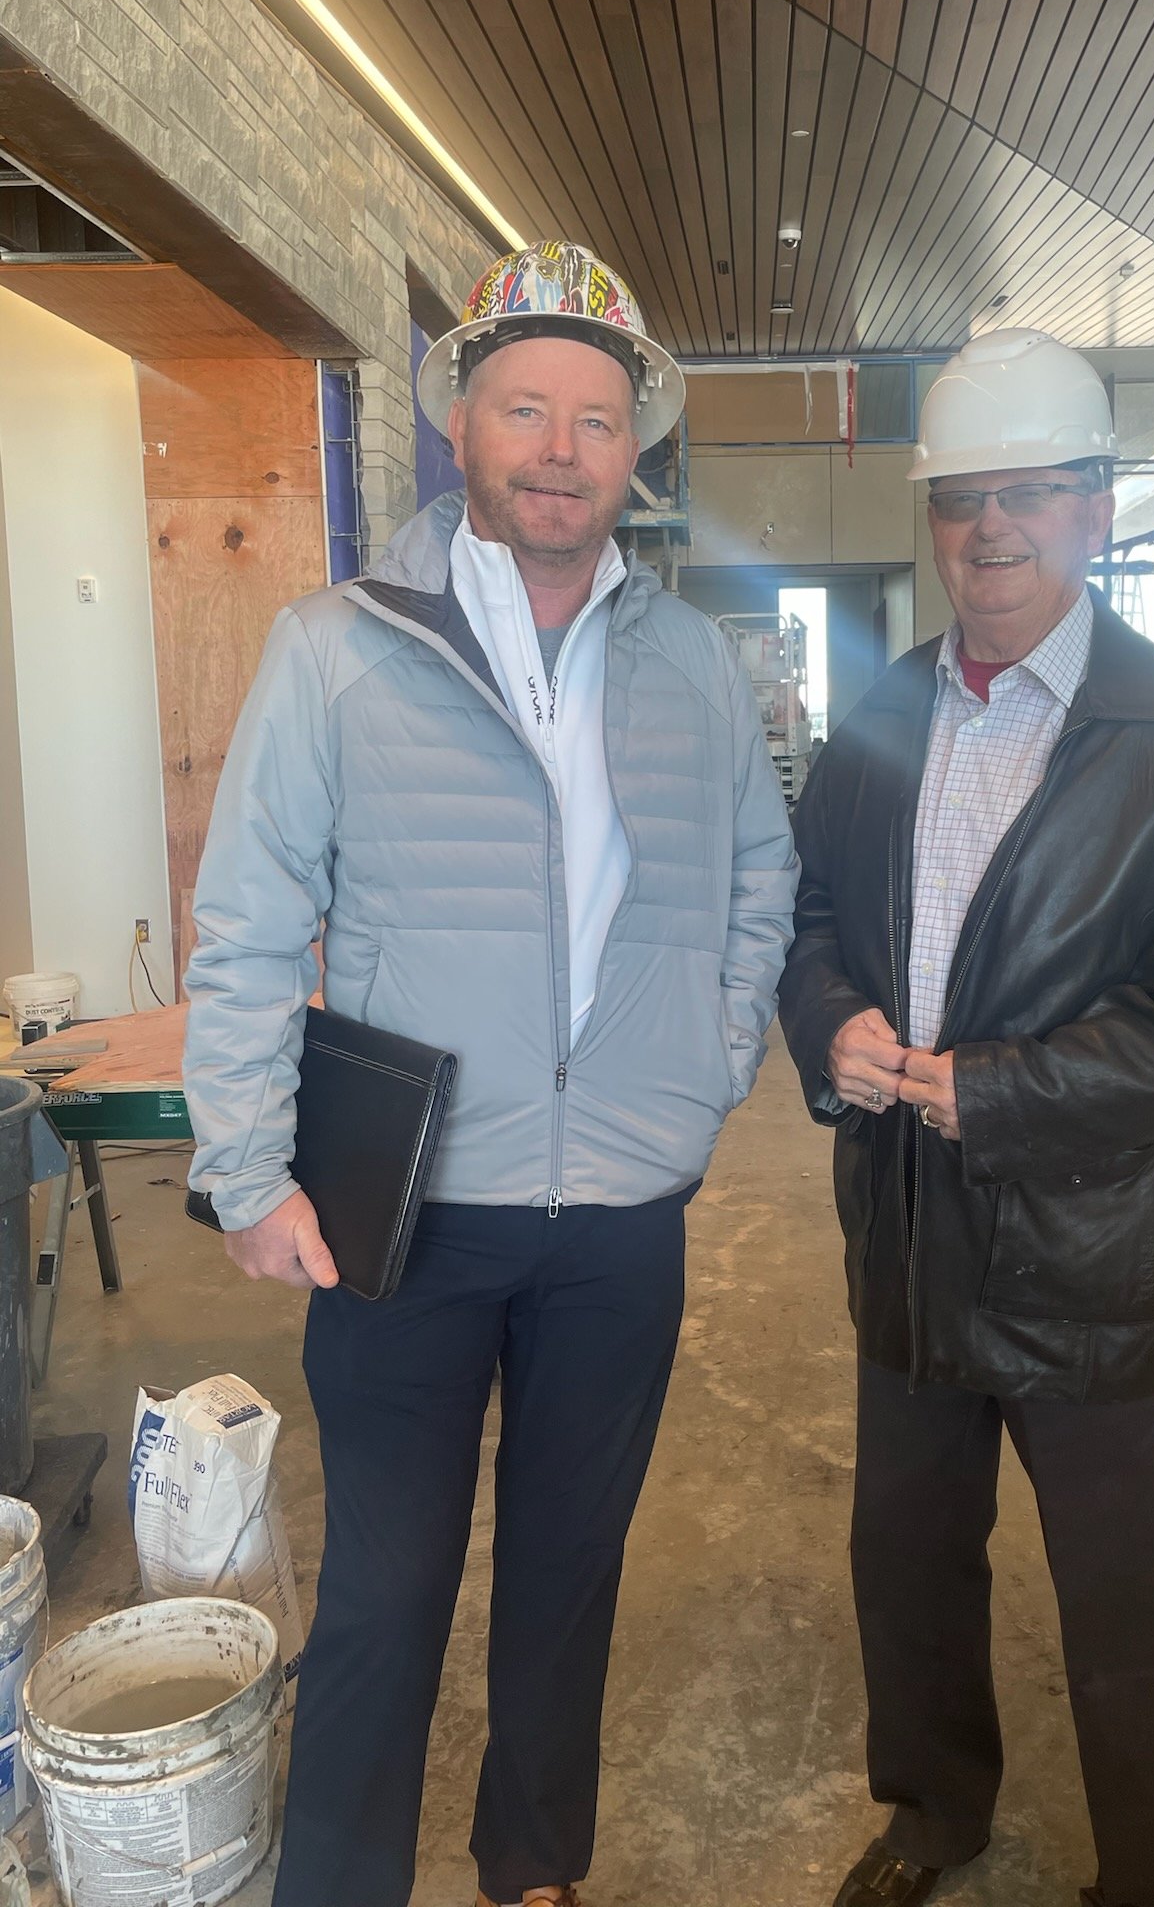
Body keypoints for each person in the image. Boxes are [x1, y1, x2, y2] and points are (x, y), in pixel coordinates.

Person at [182, 240, 798, 1907]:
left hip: (618, 1212)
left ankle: (534, 1866)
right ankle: (340, 1885)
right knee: (384, 1592)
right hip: (409, 1210)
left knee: (567, 1575)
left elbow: (759, 879)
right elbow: (245, 918)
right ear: (462, 418)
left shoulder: (692, 668)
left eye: (595, 419)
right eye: (525, 405)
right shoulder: (336, 646)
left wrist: (708, 1058)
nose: (558, 445)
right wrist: (246, 1165)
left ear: (633, 450)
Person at [779, 329, 1154, 1907]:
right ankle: (935, 1811)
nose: (989, 530)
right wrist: (829, 1026)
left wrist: (1001, 1097)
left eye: (1029, 495)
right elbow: (802, 920)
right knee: (908, 1563)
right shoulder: (877, 720)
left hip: (1081, 1245)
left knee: (1123, 1592)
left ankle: (1152, 1875)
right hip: (908, 1235)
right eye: (960, 501)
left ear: (1096, 509)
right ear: (931, 519)